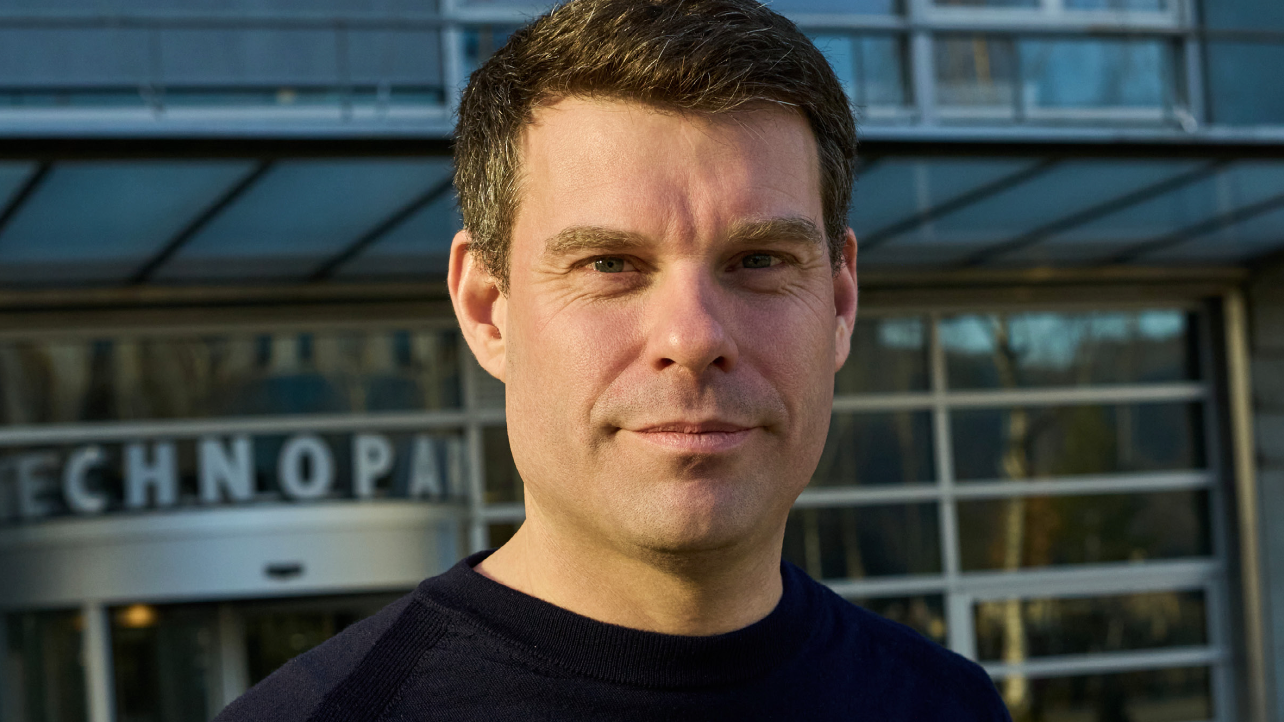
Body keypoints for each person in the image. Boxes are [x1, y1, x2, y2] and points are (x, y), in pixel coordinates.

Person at [217, 0, 1011, 719]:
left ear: (839, 303)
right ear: (487, 309)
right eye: (608, 264)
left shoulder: (949, 705)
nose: (693, 338)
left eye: (759, 261)